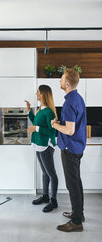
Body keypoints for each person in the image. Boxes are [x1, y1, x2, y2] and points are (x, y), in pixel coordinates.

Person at [51, 68, 87, 232]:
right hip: (77, 147)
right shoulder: (78, 98)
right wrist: (62, 123)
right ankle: (78, 213)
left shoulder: (69, 102)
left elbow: (70, 130)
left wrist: (55, 125)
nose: (59, 81)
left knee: (72, 184)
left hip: (70, 147)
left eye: (61, 79)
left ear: (67, 83)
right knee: (76, 182)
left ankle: (76, 222)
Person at [25, 85, 58, 212]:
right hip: (38, 144)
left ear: (43, 95)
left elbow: (52, 131)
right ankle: (45, 196)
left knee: (51, 174)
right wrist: (29, 111)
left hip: (46, 146)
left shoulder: (49, 111)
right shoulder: (41, 110)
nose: (36, 94)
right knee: (45, 173)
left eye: (38, 92)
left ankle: (53, 200)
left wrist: (36, 129)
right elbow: (36, 123)